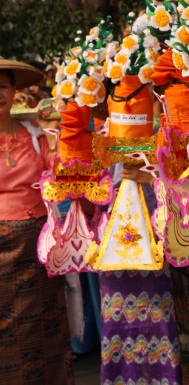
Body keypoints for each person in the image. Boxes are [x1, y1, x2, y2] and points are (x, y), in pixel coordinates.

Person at [0, 57, 73, 384]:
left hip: (38, 246)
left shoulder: (36, 136)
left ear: (14, 92)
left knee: (46, 323)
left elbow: (58, 176)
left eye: (2, 87)